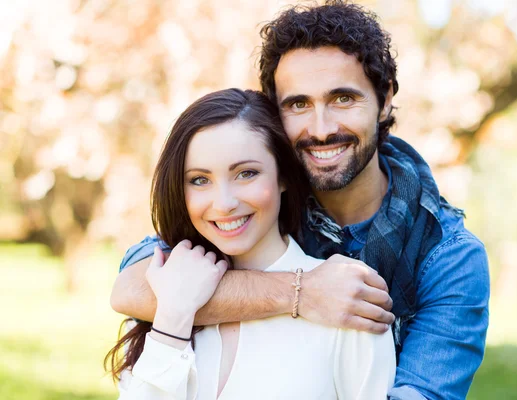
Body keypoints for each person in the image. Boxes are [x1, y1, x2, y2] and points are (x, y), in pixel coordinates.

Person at [111, 2, 490, 399]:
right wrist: (302, 292)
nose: (321, 129)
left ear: (385, 100)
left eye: (343, 99)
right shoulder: (256, 203)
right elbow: (131, 290)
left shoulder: (448, 256)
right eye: (298, 104)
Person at [106, 88, 396, 399]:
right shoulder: (165, 293)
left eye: (246, 174)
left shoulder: (347, 299)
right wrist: (172, 320)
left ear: (283, 176)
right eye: (200, 180)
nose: (224, 203)